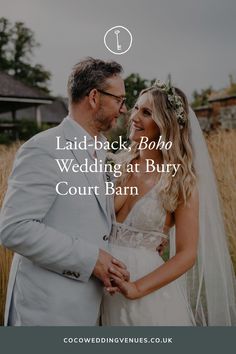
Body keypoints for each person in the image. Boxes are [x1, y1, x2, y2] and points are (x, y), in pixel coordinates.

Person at [0, 57, 129, 326]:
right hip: (46, 312)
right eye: (119, 100)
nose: (124, 109)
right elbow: (14, 228)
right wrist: (90, 259)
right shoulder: (44, 149)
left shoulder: (104, 151)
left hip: (89, 308)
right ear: (94, 97)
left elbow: (94, 220)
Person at [102, 81, 236, 326]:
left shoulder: (180, 181)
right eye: (135, 108)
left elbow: (186, 254)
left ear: (166, 125)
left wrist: (136, 289)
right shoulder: (116, 167)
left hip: (145, 291)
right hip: (99, 287)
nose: (134, 117)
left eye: (147, 112)